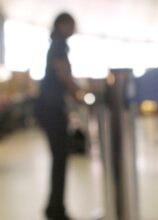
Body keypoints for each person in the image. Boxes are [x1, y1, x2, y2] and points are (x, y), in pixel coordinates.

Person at [35, 12, 85, 220]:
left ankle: (54, 207)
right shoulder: (58, 45)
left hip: (50, 109)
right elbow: (64, 74)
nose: (74, 29)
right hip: (52, 110)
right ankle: (56, 210)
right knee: (60, 159)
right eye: (71, 25)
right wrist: (80, 94)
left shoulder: (56, 44)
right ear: (62, 25)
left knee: (59, 159)